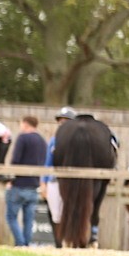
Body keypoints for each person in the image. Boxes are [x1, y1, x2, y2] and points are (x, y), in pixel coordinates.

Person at [5, 116, 47, 247]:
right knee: (29, 220)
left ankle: (20, 243)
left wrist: (11, 179)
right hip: (33, 185)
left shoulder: (22, 138)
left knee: (11, 217)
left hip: (19, 185)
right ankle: (27, 243)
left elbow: (15, 160)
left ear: (25, 124)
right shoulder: (42, 141)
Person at [41, 106, 76, 248]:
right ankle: (58, 243)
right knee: (54, 214)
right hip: (54, 181)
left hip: (72, 182)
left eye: (66, 121)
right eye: (60, 122)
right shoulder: (53, 141)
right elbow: (47, 163)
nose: (62, 125)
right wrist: (43, 182)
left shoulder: (76, 142)